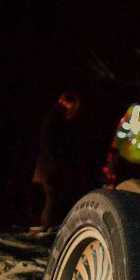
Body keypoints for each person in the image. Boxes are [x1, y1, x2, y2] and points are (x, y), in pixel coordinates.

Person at [33, 91, 85, 226]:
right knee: (52, 198)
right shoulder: (57, 117)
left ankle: (46, 226)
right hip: (51, 167)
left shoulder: (55, 116)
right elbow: (51, 141)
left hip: (50, 166)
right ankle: (46, 227)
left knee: (51, 199)